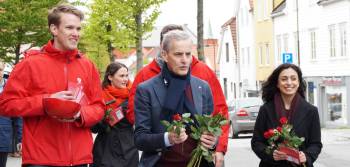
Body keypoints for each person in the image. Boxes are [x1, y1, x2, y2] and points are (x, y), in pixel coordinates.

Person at [0, 4, 105, 167]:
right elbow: (6, 105)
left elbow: (99, 107)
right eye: (70, 28)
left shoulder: (88, 66)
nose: (76, 34)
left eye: (78, 28)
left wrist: (79, 114)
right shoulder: (29, 65)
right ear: (54, 29)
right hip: (41, 159)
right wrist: (46, 102)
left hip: (80, 159)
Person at [129, 24, 228, 167]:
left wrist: (214, 142)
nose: (184, 60)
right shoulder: (146, 89)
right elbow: (140, 139)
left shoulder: (202, 87)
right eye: (178, 54)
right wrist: (167, 138)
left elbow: (211, 129)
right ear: (164, 55)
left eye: (188, 54)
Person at [251, 63, 322, 167]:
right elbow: (256, 142)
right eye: (284, 79)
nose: (289, 83)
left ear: (298, 82)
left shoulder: (311, 111)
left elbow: (316, 144)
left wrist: (306, 156)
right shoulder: (265, 110)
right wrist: (271, 154)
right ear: (277, 83)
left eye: (293, 79)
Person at [91, 62, 138, 167]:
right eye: (121, 76)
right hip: (105, 149)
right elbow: (93, 127)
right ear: (110, 77)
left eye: (127, 75)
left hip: (128, 149)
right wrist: (105, 119)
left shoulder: (133, 96)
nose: (125, 79)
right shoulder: (99, 95)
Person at [0, 61, 23, 167]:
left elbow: (18, 116)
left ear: (3, 69)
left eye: (0, 69)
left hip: (3, 138)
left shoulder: (10, 89)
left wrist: (20, 139)